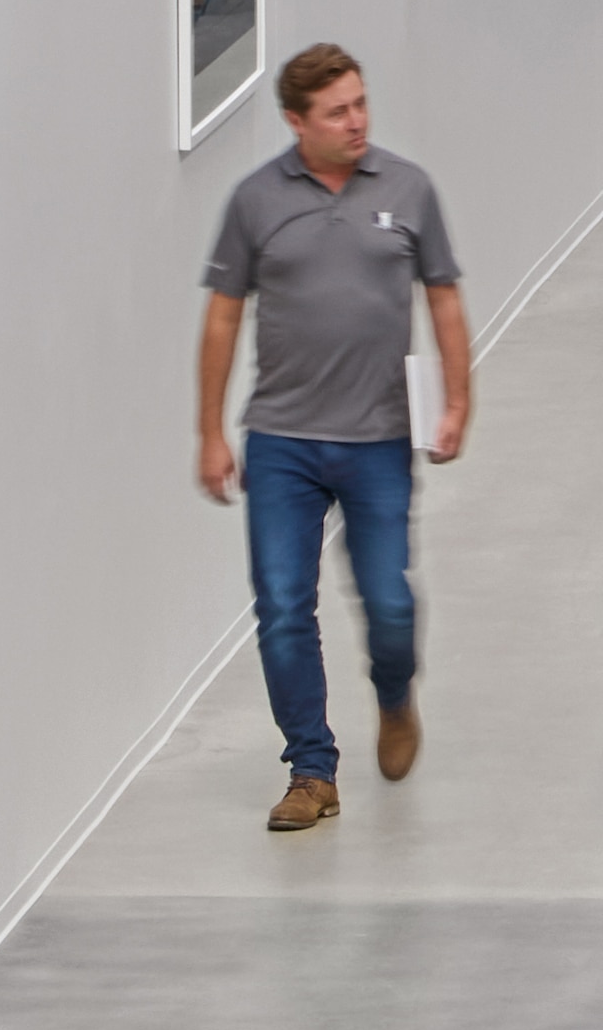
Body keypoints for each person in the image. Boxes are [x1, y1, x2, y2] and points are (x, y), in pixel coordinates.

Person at [197, 46, 468, 838]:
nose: (357, 121)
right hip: (281, 441)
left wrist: (457, 403)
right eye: (337, 111)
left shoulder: (410, 189)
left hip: (380, 438)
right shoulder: (254, 201)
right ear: (296, 122)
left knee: (388, 601)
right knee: (283, 607)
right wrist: (210, 431)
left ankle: (394, 696)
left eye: (360, 104)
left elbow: (444, 299)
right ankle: (311, 769)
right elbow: (222, 317)